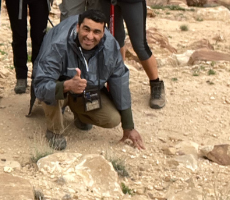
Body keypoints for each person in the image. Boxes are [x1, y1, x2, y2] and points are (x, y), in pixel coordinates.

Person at [32, 10, 145, 151]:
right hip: (62, 87)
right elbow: (41, 85)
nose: (90, 37)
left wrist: (129, 126)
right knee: (52, 92)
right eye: (86, 29)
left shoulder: (110, 47)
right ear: (78, 27)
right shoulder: (58, 45)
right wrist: (66, 85)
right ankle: (54, 131)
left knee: (112, 119)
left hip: (86, 89)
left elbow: (120, 81)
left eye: (96, 32)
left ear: (103, 32)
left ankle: (80, 114)